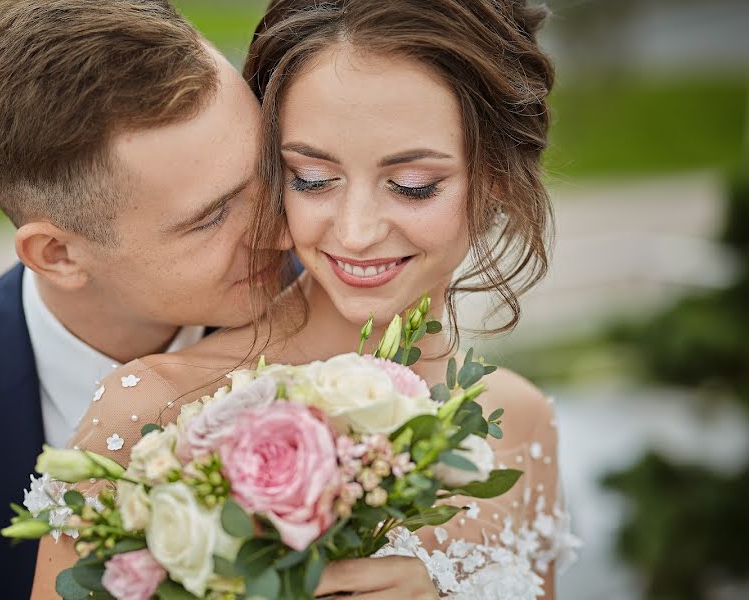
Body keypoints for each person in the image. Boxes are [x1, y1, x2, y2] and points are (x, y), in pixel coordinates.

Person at [34, 0, 581, 598]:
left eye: (413, 186)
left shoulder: (522, 423)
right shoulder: (156, 413)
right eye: (312, 179)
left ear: (497, 177)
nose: (355, 231)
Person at [0, 1, 285, 598]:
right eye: (211, 217)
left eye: (268, 169)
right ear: (57, 254)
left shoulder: (355, 326)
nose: (284, 232)